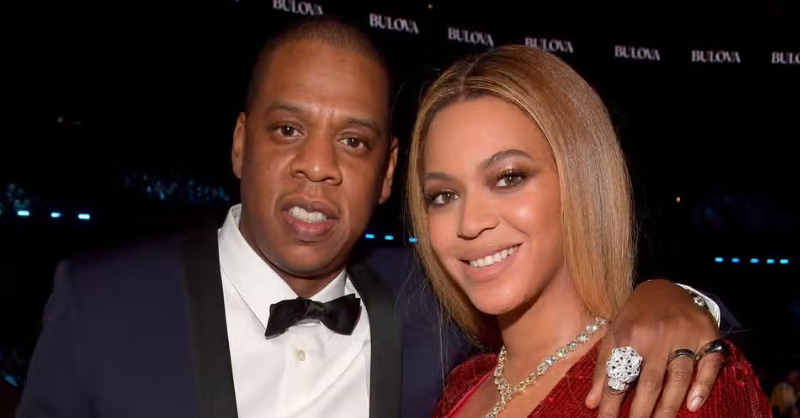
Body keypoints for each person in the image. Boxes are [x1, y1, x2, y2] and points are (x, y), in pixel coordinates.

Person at [18, 17, 724, 418]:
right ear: (239, 143)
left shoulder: (434, 303)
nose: (317, 166)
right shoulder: (99, 302)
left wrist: (681, 300)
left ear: (387, 174)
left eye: (353, 141)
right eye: (288, 130)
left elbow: (579, 317)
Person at [405, 45, 771, 418]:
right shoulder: (462, 385)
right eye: (443, 195)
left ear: (581, 180)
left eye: (508, 178)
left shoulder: (677, 387)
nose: (469, 223)